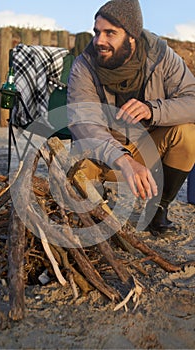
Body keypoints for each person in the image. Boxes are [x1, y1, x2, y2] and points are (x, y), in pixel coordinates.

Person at [67, 0, 195, 237]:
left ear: (132, 37)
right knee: (76, 171)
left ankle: (158, 212)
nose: (99, 41)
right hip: (103, 153)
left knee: (188, 134)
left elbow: (192, 100)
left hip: (147, 148)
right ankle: (97, 212)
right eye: (97, 32)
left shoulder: (162, 58)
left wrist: (153, 109)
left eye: (110, 33)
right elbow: (84, 123)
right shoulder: (84, 65)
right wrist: (123, 159)